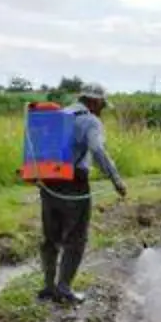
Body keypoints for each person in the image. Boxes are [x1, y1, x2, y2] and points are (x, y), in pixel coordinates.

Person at [37, 84, 127, 304]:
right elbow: (97, 150)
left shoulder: (59, 115)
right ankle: (64, 288)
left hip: (48, 180)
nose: (102, 110)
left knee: (51, 237)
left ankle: (48, 287)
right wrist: (116, 180)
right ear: (94, 102)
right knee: (76, 238)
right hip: (74, 183)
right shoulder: (90, 121)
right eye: (102, 105)